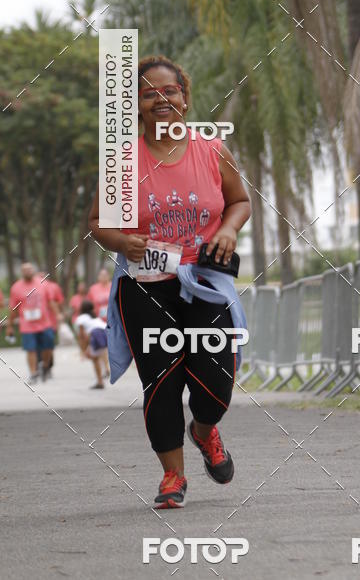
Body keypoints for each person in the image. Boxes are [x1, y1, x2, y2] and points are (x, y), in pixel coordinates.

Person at [89, 55, 251, 509]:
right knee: (161, 382)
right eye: (148, 94)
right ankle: (172, 476)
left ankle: (204, 431)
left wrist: (228, 228)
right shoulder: (123, 162)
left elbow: (240, 202)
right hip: (145, 285)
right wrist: (124, 240)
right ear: (137, 106)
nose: (160, 100)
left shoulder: (212, 149)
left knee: (215, 378)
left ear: (185, 97)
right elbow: (98, 222)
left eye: (169, 91)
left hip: (205, 280)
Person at [6, 262, 59, 382]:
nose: (28, 271)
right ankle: (33, 373)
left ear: (34, 270)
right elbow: (13, 309)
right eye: (25, 270)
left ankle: (45, 366)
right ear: (21, 272)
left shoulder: (42, 283)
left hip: (45, 323)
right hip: (27, 325)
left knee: (48, 346)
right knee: (31, 349)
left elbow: (51, 302)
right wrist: (9, 325)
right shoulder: (16, 287)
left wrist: (57, 316)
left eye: (30, 269)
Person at [73, 299, 109, 389]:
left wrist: (84, 350)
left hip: (97, 334)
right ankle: (102, 376)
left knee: (95, 359)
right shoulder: (94, 317)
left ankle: (100, 382)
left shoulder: (80, 318)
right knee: (96, 357)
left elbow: (82, 336)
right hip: (106, 332)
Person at [43, 275, 65, 378]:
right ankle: (42, 365)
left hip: (50, 320)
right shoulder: (31, 288)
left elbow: (60, 301)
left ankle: (48, 366)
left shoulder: (54, 287)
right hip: (34, 322)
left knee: (49, 344)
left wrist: (59, 313)